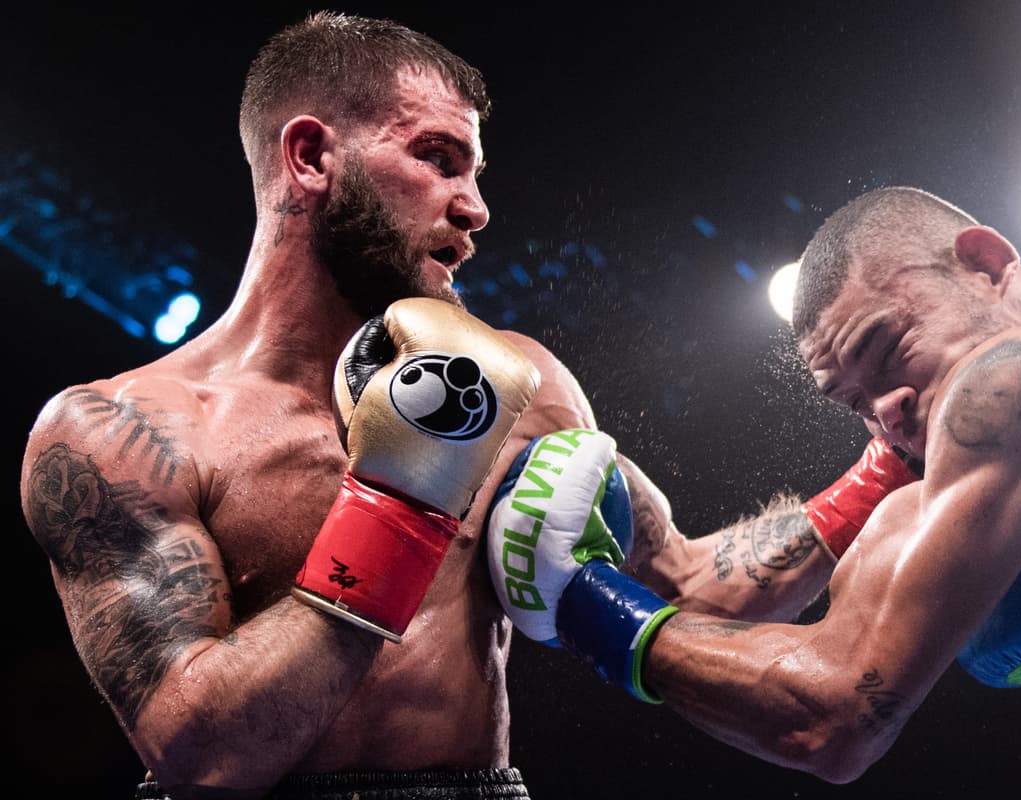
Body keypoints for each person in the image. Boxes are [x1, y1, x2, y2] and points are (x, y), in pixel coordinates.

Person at [485, 185, 1021, 785]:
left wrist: (590, 605)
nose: (887, 411)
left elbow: (834, 721)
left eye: (888, 346)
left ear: (986, 264)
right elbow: (701, 597)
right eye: (853, 403)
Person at [18, 11, 608, 799]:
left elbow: (686, 581)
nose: (476, 207)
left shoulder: (515, 380)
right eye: (438, 159)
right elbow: (203, 757)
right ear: (311, 156)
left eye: (475, 173)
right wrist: (407, 502)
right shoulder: (122, 431)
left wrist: (838, 506)